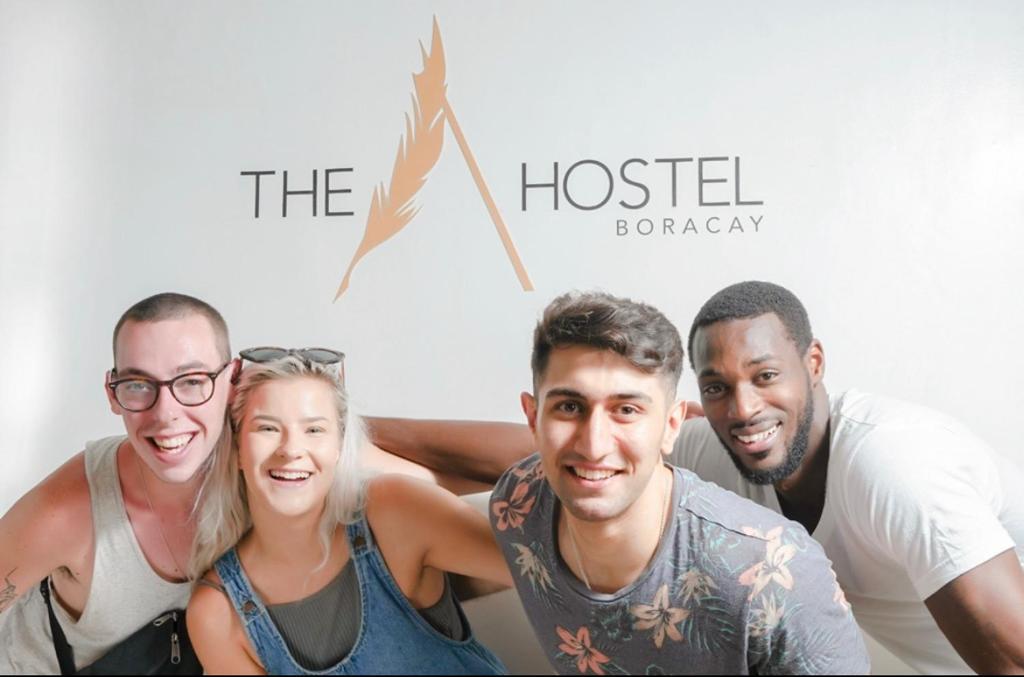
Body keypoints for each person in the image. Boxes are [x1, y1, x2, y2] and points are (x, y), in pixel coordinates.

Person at [0, 292, 458, 673]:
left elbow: (433, 481)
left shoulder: (270, 457)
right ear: (112, 393)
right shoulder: (64, 514)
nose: (166, 415)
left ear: (233, 380)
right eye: (139, 384)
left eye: (193, 381)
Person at [487, 291, 868, 674]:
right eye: (569, 407)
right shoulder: (519, 505)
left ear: (672, 426)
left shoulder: (776, 573)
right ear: (533, 418)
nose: (594, 445)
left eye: (626, 410)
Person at [672, 280, 1024, 674]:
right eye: (716, 387)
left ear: (814, 363)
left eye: (766, 375)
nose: (743, 409)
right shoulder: (711, 447)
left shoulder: (894, 465)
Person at [186, 350, 509, 675]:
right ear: (237, 449)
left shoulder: (394, 511)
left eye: (314, 430)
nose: (291, 450)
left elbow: (544, 571)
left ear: (340, 446)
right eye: (267, 428)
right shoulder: (217, 613)